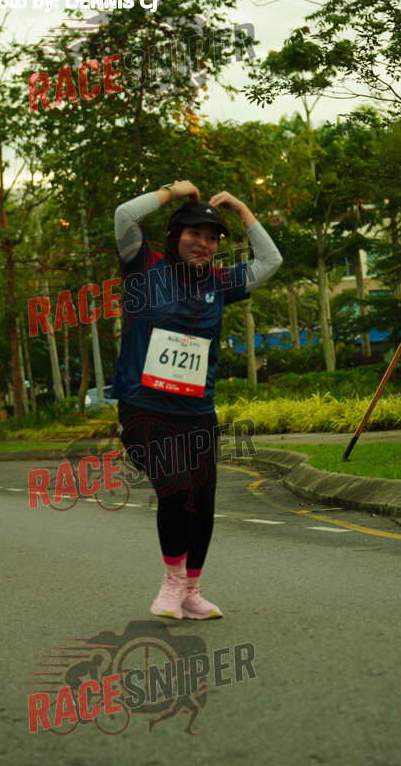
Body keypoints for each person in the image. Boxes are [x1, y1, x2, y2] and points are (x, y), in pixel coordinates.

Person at [111, 179, 282, 619]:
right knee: (177, 489)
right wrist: (172, 191)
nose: (203, 243)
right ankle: (172, 583)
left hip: (198, 412)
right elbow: (125, 215)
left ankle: (191, 592)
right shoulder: (142, 267)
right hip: (143, 408)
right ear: (174, 235)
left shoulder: (220, 283)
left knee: (203, 502)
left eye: (211, 237)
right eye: (194, 233)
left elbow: (270, 260)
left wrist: (242, 211)